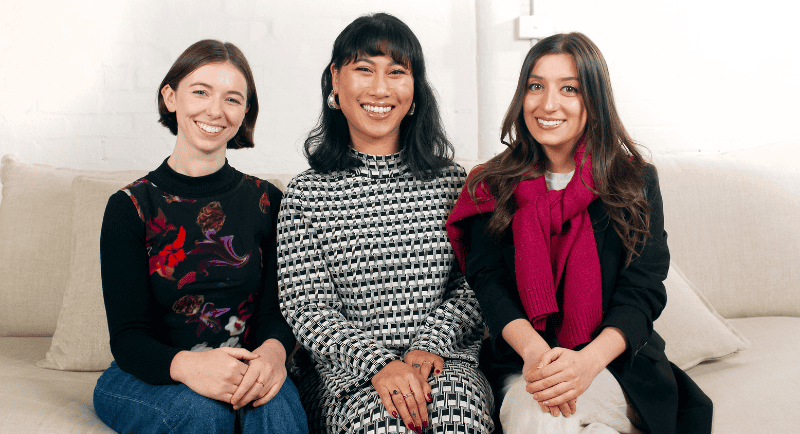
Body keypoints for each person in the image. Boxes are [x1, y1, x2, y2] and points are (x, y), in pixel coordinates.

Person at [446, 32, 712, 434]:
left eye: (568, 89)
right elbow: (489, 286)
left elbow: (642, 290)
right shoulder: (490, 185)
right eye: (536, 86)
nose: (548, 103)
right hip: (524, 362)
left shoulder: (633, 181)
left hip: (617, 363)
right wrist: (538, 354)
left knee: (551, 419)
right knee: (548, 417)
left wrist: (585, 364)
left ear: (594, 100)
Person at [277, 13, 494, 434]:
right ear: (335, 82)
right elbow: (307, 307)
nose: (380, 88)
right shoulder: (305, 194)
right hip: (348, 378)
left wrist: (428, 345)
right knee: (386, 422)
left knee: (453, 414)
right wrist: (380, 364)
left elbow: (478, 283)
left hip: (444, 364)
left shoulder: (453, 183)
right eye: (364, 69)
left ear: (414, 93)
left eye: (397, 72)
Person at [93, 39, 308, 434]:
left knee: (273, 412)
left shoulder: (268, 200)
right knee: (204, 413)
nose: (215, 110)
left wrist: (274, 355)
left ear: (245, 113)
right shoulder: (130, 207)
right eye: (200, 92)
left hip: (249, 366)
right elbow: (127, 339)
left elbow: (279, 309)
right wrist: (192, 368)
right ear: (170, 97)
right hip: (151, 374)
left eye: (232, 99)